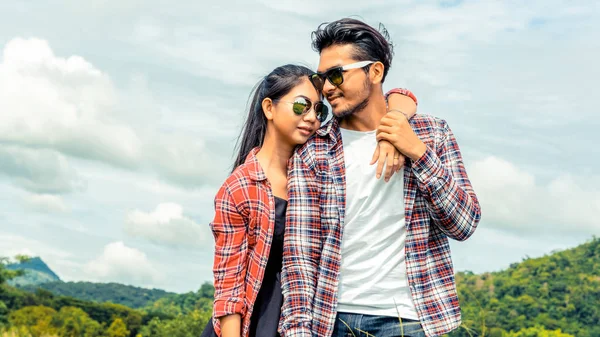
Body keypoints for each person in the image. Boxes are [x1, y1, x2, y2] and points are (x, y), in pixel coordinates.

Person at [279, 19, 482, 337]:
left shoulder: (432, 133)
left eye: (336, 74)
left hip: (412, 321)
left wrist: (418, 152)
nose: (328, 88)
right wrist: (299, 330)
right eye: (322, 79)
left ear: (374, 72)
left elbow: (464, 224)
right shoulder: (313, 149)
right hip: (332, 321)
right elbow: (300, 251)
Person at [201, 63, 418, 337]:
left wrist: (392, 132)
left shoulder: (316, 166)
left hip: (315, 317)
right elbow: (229, 289)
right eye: (301, 106)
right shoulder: (239, 188)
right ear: (269, 108)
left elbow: (399, 95)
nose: (312, 118)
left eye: (319, 109)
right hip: (257, 321)